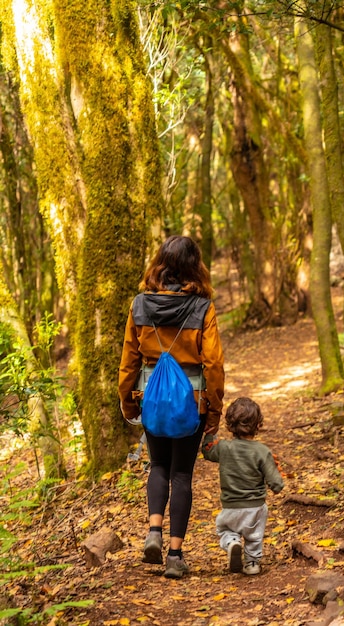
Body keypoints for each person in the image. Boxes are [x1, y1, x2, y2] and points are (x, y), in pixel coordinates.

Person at [118, 235, 225, 579]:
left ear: (160, 263)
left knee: (158, 466)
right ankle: (175, 556)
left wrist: (127, 400)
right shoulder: (203, 307)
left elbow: (129, 360)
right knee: (182, 474)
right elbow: (213, 364)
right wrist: (214, 408)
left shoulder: (139, 305)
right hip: (190, 403)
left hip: (151, 398)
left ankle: (153, 532)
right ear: (195, 266)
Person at [202, 397, 284, 575]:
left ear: (230, 425)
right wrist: (277, 484)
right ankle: (252, 562)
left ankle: (232, 542)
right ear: (258, 425)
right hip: (255, 508)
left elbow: (207, 451)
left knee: (224, 529)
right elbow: (276, 483)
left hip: (230, 507)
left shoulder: (223, 448)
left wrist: (210, 433)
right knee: (254, 537)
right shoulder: (262, 451)